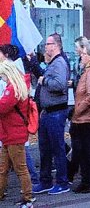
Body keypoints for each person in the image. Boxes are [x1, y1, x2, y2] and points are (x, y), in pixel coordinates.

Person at [33, 33, 71, 196]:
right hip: (48, 112)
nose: (45, 47)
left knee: (57, 148)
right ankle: (45, 181)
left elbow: (60, 84)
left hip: (56, 112)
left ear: (55, 45)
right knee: (45, 148)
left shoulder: (59, 63)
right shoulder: (53, 63)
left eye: (48, 44)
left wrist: (44, 81)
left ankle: (62, 182)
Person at [0, 60, 34, 207]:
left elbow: (2, 107)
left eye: (2, 76)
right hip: (11, 133)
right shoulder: (19, 85)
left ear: (7, 73)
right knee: (4, 168)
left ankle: (28, 197)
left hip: (13, 133)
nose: (2, 79)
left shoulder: (12, 89)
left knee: (19, 168)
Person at [71, 40, 90, 194]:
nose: (81, 56)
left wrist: (77, 111)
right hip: (82, 118)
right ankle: (85, 181)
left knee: (89, 151)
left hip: (87, 119)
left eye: (83, 54)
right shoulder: (87, 72)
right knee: (83, 151)